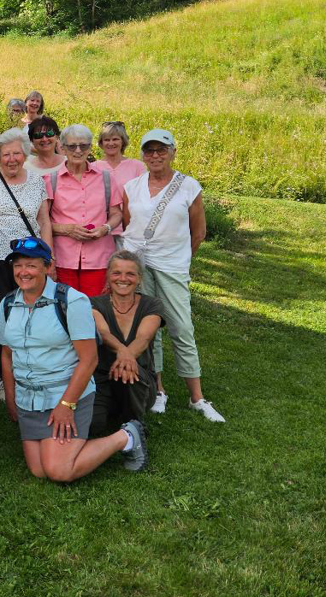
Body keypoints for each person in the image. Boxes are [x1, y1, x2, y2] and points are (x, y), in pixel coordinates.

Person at [0, 236, 149, 481]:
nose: (23, 272)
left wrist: (66, 405)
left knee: (59, 470)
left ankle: (127, 436)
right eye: (18, 266)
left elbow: (89, 360)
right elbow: (7, 354)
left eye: (31, 265)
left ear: (48, 267)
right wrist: (11, 398)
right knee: (39, 470)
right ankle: (60, 444)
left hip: (65, 392)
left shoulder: (72, 301)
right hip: (28, 398)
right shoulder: (7, 304)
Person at [121, 129, 223, 422]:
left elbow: (198, 232)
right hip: (139, 269)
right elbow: (129, 226)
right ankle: (158, 390)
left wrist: (180, 259)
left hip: (172, 267)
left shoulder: (188, 186)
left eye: (161, 150)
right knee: (147, 328)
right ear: (143, 155)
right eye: (149, 150)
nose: (155, 155)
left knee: (181, 328)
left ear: (172, 152)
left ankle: (197, 397)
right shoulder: (132, 187)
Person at [0, 127, 54, 395]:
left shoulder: (37, 181)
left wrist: (48, 257)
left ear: (25, 154)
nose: (12, 159)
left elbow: (44, 222)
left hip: (31, 260)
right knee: (2, 314)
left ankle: (32, 367)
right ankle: (1, 373)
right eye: (6, 154)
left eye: (17, 153)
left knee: (34, 311)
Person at [90, 250, 164, 436]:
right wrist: (125, 353)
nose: (123, 279)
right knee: (93, 425)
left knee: (129, 371)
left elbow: (143, 338)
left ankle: (135, 428)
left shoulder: (152, 304)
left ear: (139, 278)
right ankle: (114, 414)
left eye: (130, 274)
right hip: (102, 380)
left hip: (139, 383)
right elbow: (103, 333)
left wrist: (126, 360)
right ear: (108, 275)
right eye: (117, 273)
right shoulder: (93, 304)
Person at [47, 124, 124, 296]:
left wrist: (105, 228)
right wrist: (67, 229)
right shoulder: (51, 179)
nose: (78, 151)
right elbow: (42, 221)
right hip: (63, 259)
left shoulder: (105, 178)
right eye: (72, 146)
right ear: (62, 148)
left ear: (90, 148)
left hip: (99, 258)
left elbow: (116, 213)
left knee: (95, 307)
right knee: (65, 307)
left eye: (83, 146)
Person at [93, 121, 146, 185]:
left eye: (115, 139)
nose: (111, 143)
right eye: (107, 140)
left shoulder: (137, 166)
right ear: (101, 143)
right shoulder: (93, 167)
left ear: (123, 141)